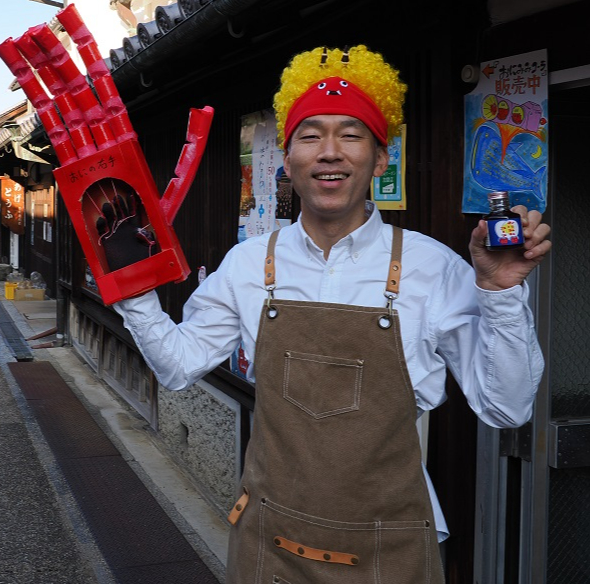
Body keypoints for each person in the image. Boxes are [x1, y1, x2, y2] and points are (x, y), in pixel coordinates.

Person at [112, 45, 549, 584]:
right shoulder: (249, 264)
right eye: (311, 135)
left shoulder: (432, 267)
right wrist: (130, 288)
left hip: (390, 548)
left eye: (351, 134)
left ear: (381, 157)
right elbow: (178, 367)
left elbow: (507, 408)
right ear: (289, 156)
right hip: (268, 544)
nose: (330, 152)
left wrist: (501, 292)